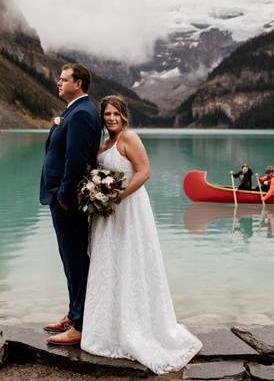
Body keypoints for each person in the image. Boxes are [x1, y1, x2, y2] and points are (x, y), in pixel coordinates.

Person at [81, 95, 202, 373]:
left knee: (130, 260)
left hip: (129, 208)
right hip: (106, 213)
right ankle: (108, 328)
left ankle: (136, 327)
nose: (111, 118)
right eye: (107, 114)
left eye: (116, 114)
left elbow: (144, 172)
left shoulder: (129, 138)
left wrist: (118, 197)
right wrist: (97, 194)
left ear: (124, 116)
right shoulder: (106, 144)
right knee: (109, 264)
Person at [40, 63, 103, 346]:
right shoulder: (74, 111)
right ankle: (74, 312)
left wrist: (64, 196)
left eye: (63, 79)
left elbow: (76, 160)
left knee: (76, 260)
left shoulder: (81, 113)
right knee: (69, 259)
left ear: (78, 83)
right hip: (61, 196)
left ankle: (80, 324)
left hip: (68, 200)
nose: (58, 82)